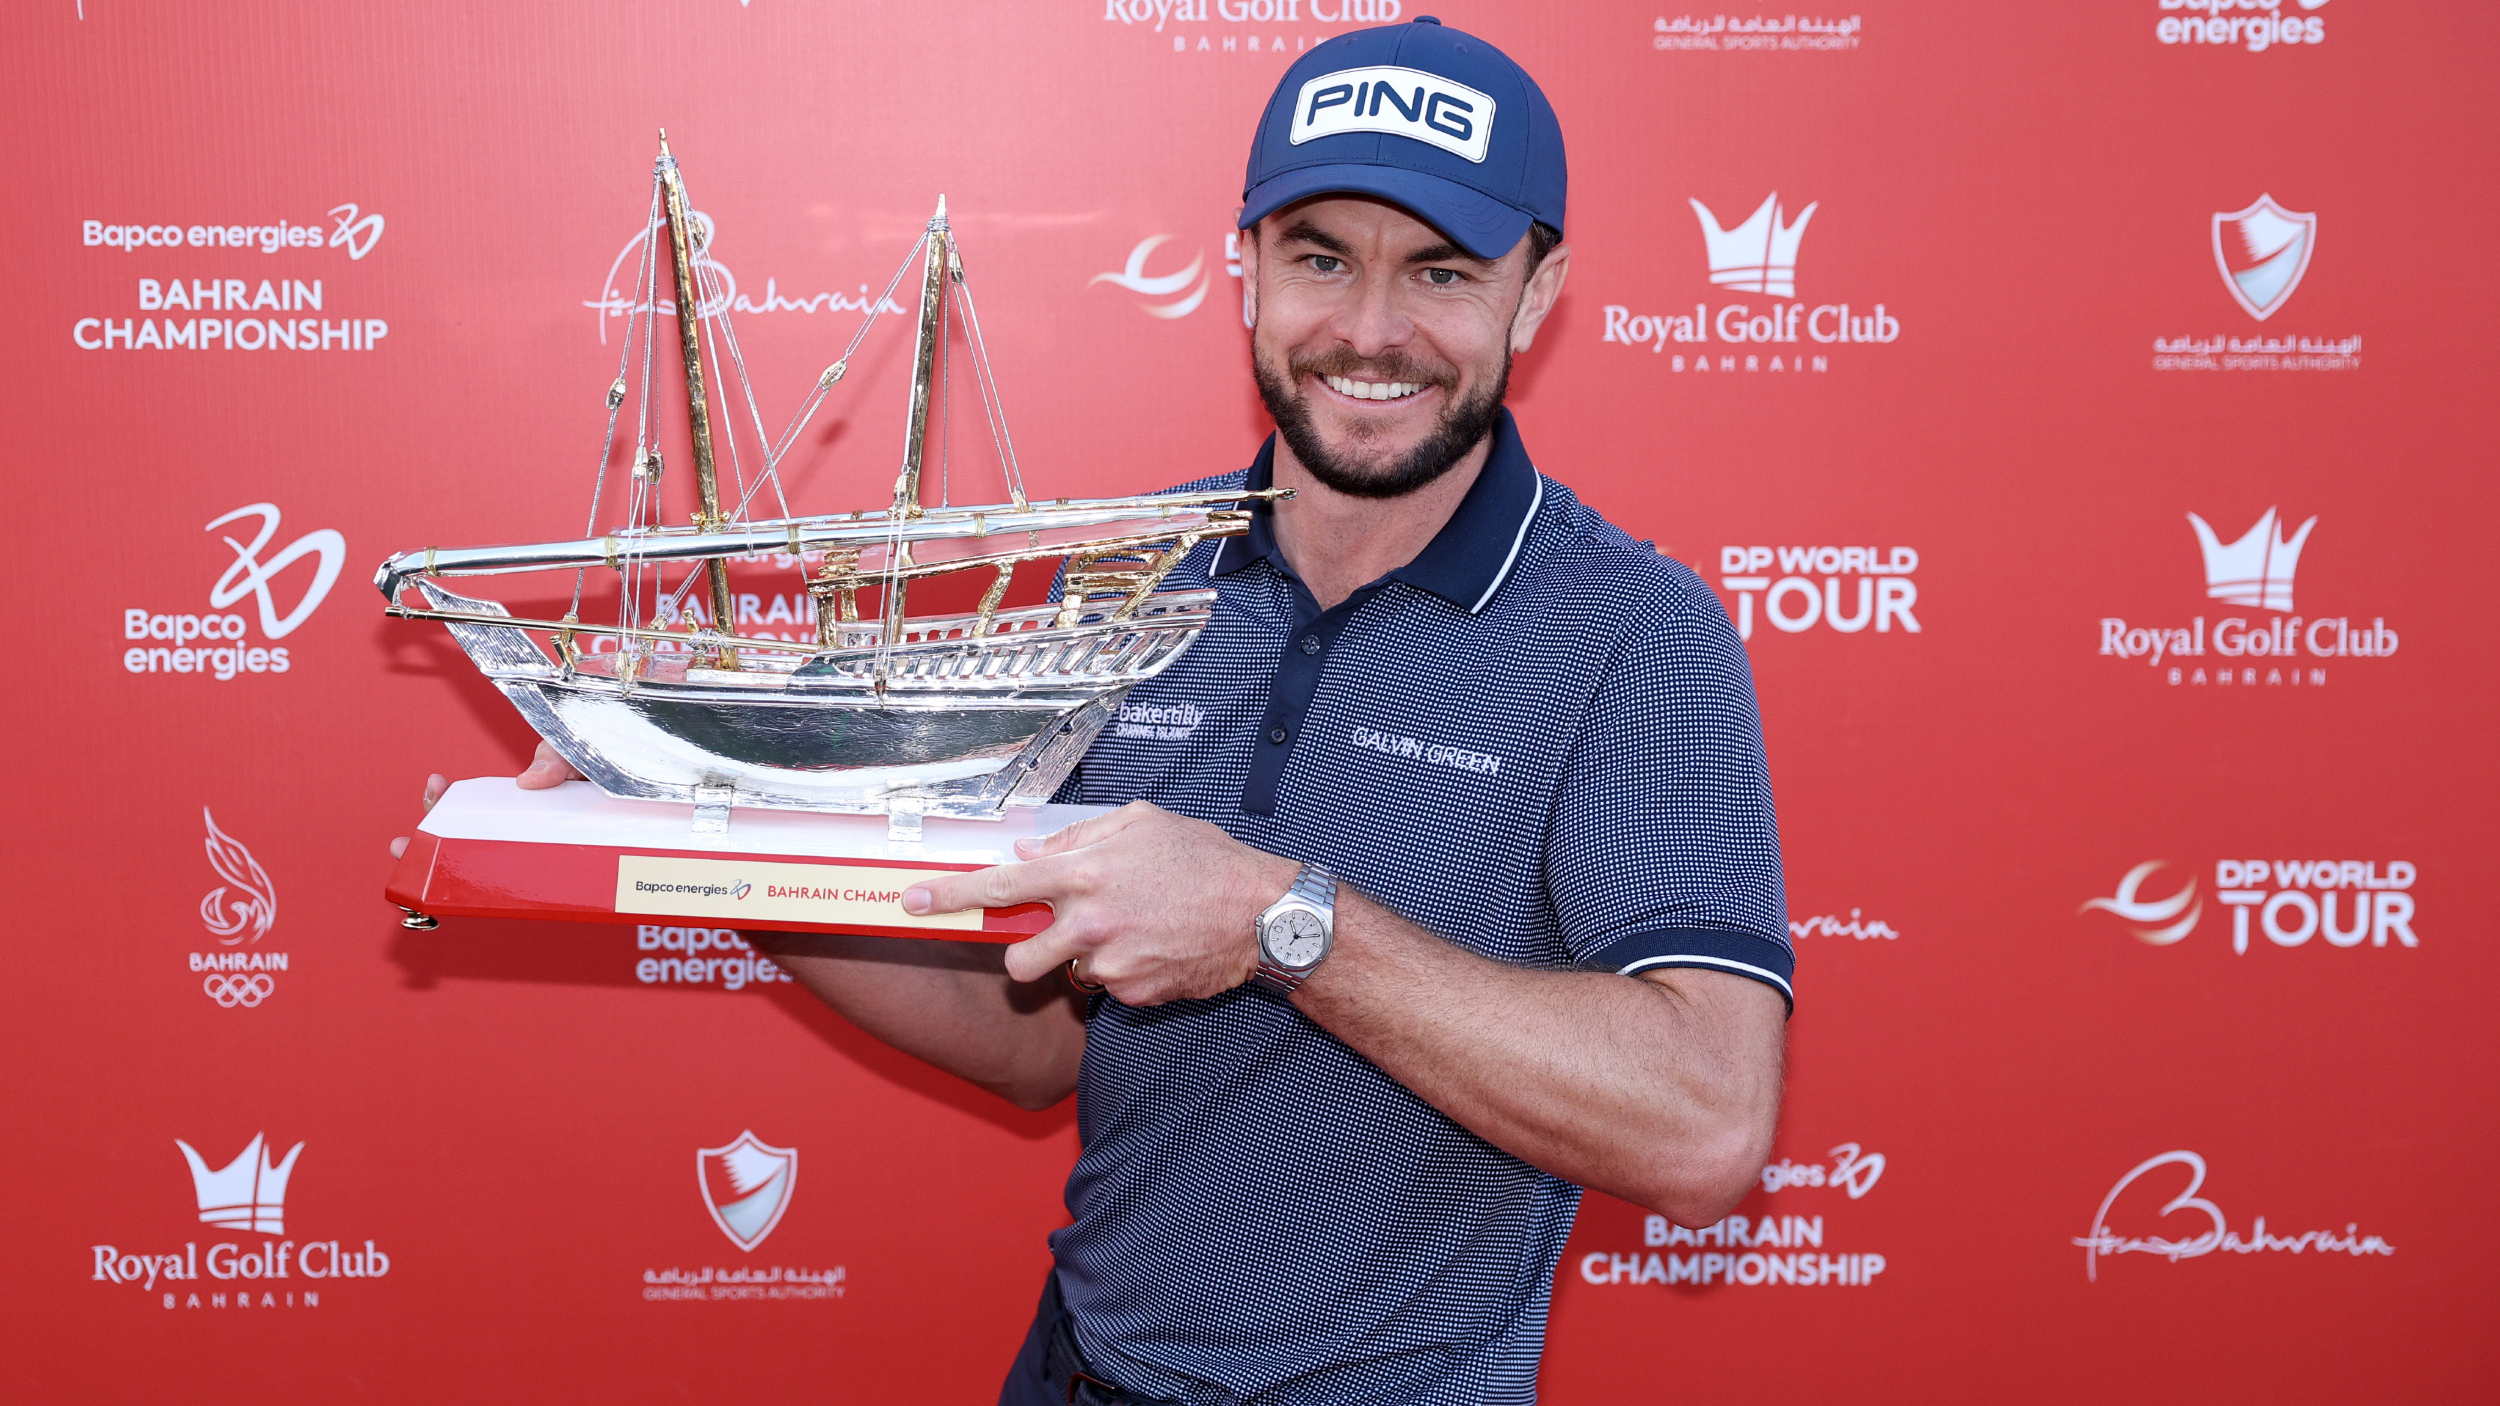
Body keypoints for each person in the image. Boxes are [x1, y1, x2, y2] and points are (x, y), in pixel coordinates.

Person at [402, 17, 1789, 1403]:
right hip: (1079, 1371)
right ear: (1243, 269)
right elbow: (1035, 1039)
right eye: (1320, 259)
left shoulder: (1637, 632)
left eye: (1441, 271)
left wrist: (1277, 922)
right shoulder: (1132, 575)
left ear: (1538, 294)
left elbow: (1704, 1126)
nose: (1370, 331)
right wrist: (716, 818)